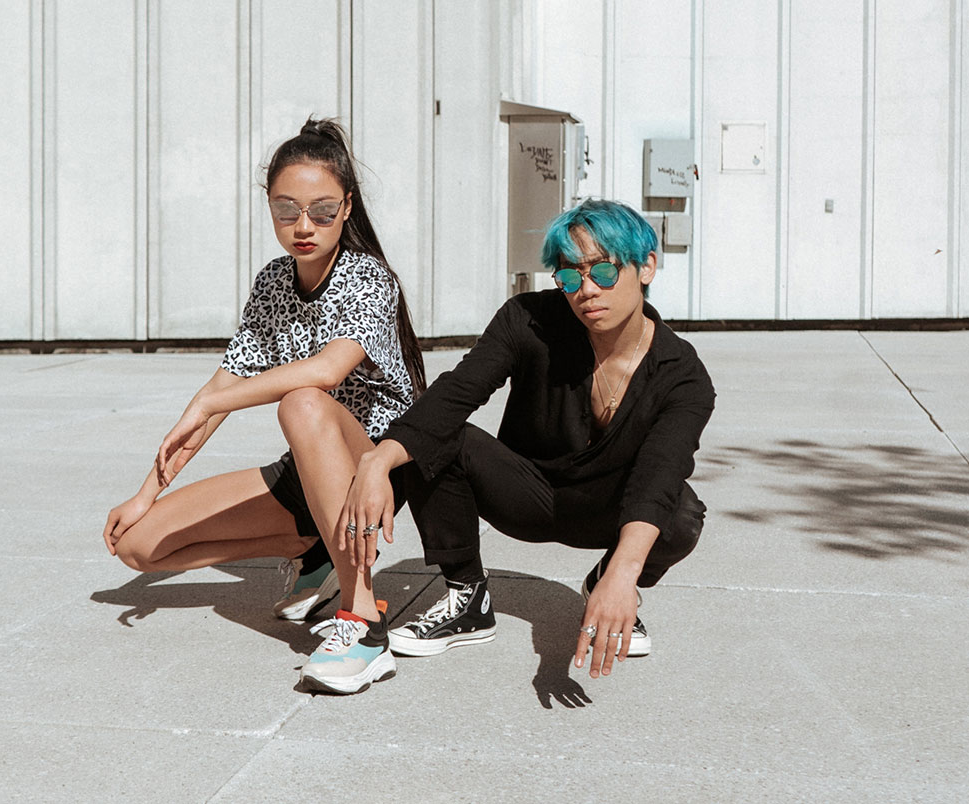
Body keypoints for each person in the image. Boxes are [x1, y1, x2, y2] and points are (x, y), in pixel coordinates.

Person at [102, 117, 425, 694]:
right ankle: (318, 547)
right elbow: (221, 385)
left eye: (322, 211)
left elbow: (325, 372)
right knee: (138, 545)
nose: (303, 226)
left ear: (347, 208)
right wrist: (145, 492)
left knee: (301, 402)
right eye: (286, 210)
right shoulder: (273, 282)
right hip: (307, 472)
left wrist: (216, 401)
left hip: (375, 466)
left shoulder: (369, 278)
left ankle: (363, 623)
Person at [339, 198, 713, 680]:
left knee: (681, 512)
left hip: (608, 510)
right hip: (525, 493)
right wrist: (377, 461)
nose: (586, 290)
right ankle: (467, 599)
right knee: (433, 436)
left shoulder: (683, 375)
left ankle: (607, 584)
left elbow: (659, 474)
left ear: (646, 267)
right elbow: (457, 391)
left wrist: (623, 573)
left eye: (603, 271)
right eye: (570, 276)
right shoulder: (529, 318)